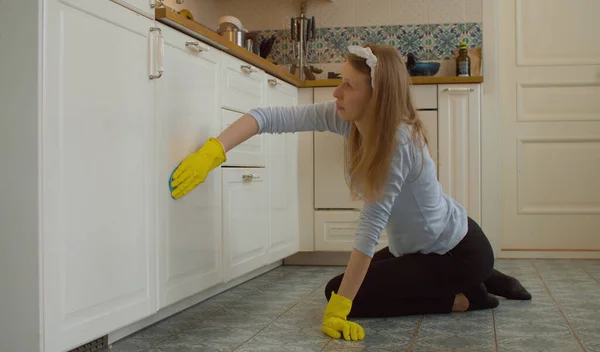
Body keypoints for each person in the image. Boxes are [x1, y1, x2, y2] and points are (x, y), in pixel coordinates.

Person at [169, 44, 532, 342]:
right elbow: (269, 117)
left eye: (348, 85)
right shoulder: (348, 118)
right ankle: (481, 278)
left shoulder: (398, 143)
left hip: (456, 252)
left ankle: (470, 297)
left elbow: (370, 227)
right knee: (352, 287)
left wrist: (341, 306)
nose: (336, 93)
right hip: (426, 246)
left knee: (340, 293)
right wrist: (214, 151)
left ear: (377, 96)